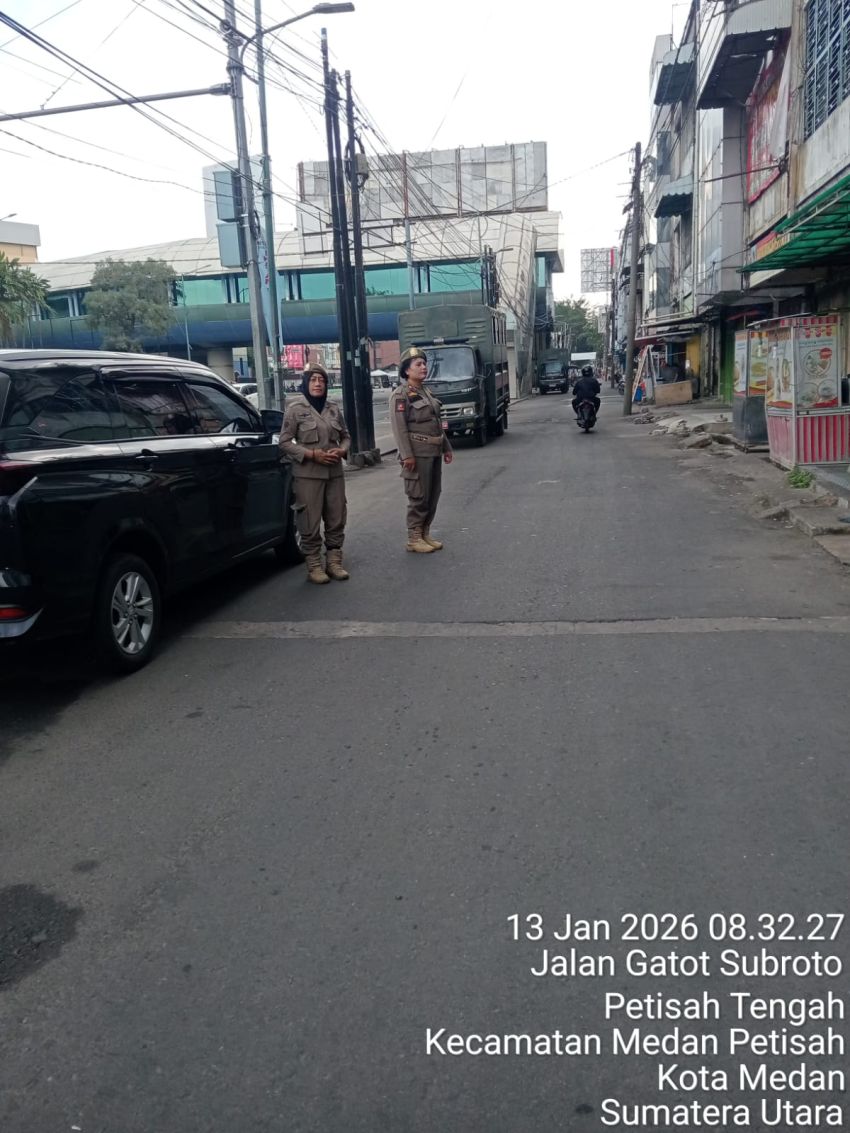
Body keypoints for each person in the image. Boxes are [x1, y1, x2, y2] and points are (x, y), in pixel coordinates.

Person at [279, 362, 351, 584]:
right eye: (313, 380)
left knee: (336, 517)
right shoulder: (295, 409)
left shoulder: (333, 409)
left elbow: (346, 436)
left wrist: (343, 450)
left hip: (334, 473)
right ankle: (314, 565)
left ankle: (334, 561)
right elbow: (284, 442)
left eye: (322, 380)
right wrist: (311, 454)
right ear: (305, 383)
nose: (318, 384)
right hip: (308, 475)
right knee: (309, 521)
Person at [389, 346, 453, 553]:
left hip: (433, 451)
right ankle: (414, 538)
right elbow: (399, 428)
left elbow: (436, 421)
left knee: (433, 494)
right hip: (417, 453)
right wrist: (407, 455)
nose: (424, 367)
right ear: (407, 371)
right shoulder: (401, 395)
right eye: (418, 364)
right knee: (419, 496)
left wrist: (446, 447)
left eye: (424, 363)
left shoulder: (426, 391)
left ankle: (425, 532)